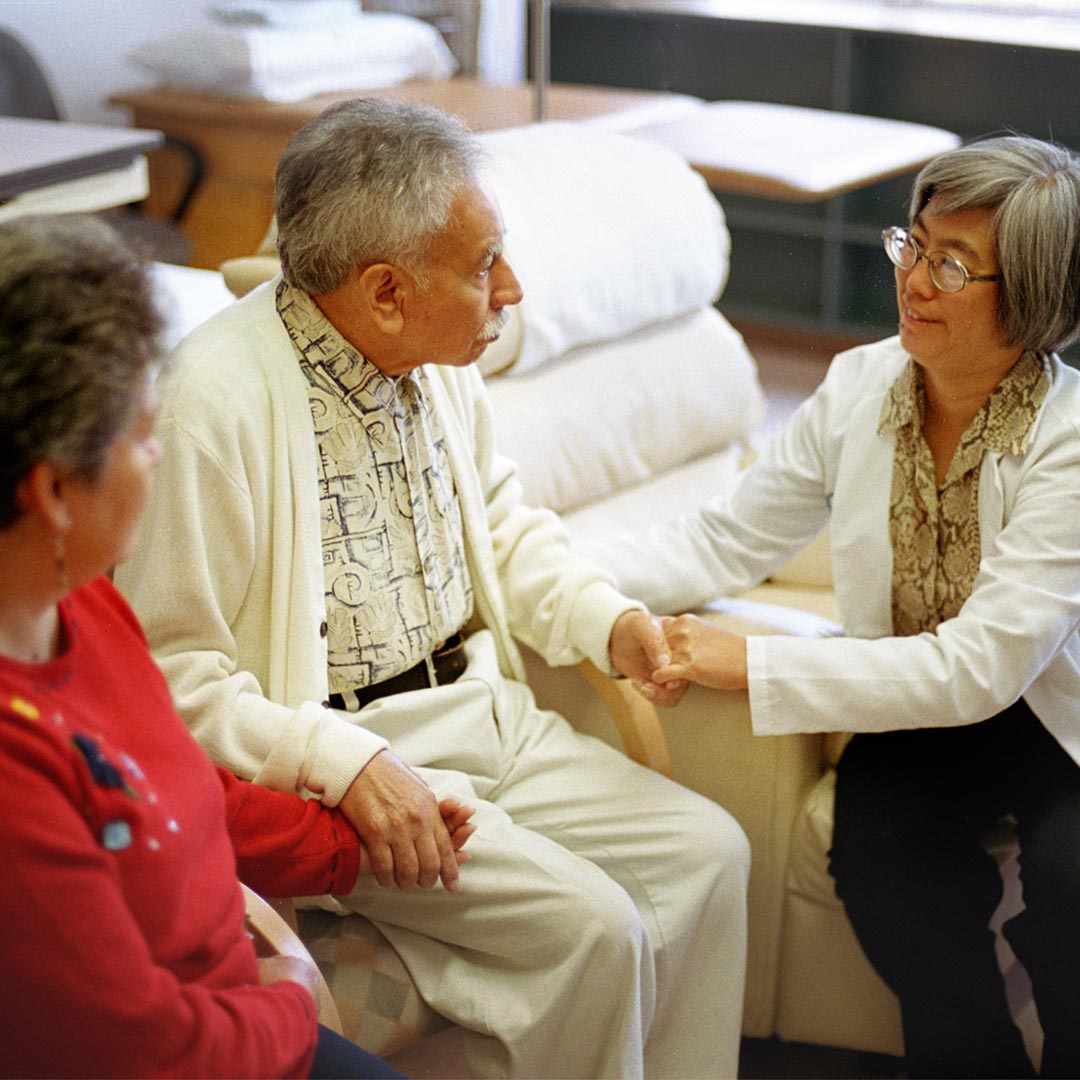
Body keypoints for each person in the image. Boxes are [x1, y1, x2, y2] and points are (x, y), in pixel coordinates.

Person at [113, 97, 751, 1079]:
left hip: (490, 716)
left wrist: (607, 619)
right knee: (595, 928)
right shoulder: (211, 405)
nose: (513, 288)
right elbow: (171, 679)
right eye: (485, 264)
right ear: (385, 292)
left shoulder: (437, 359)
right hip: (359, 763)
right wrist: (345, 765)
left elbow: (499, 524)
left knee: (711, 852)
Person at [582, 134, 1080, 1079]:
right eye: (913, 245)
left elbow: (984, 669)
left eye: (952, 265)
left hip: (1052, 710)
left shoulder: (1071, 442)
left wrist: (749, 661)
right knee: (883, 856)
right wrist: (561, 577)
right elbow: (725, 540)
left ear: (1032, 297)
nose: (913, 282)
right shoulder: (861, 388)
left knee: (1072, 882)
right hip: (910, 701)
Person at [0, 212, 478, 1079]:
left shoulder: (84, 606)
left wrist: (348, 841)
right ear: (55, 492)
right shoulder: (14, 778)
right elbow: (150, 1049)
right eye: (143, 436)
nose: (161, 456)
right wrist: (290, 994)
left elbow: (175, 787)